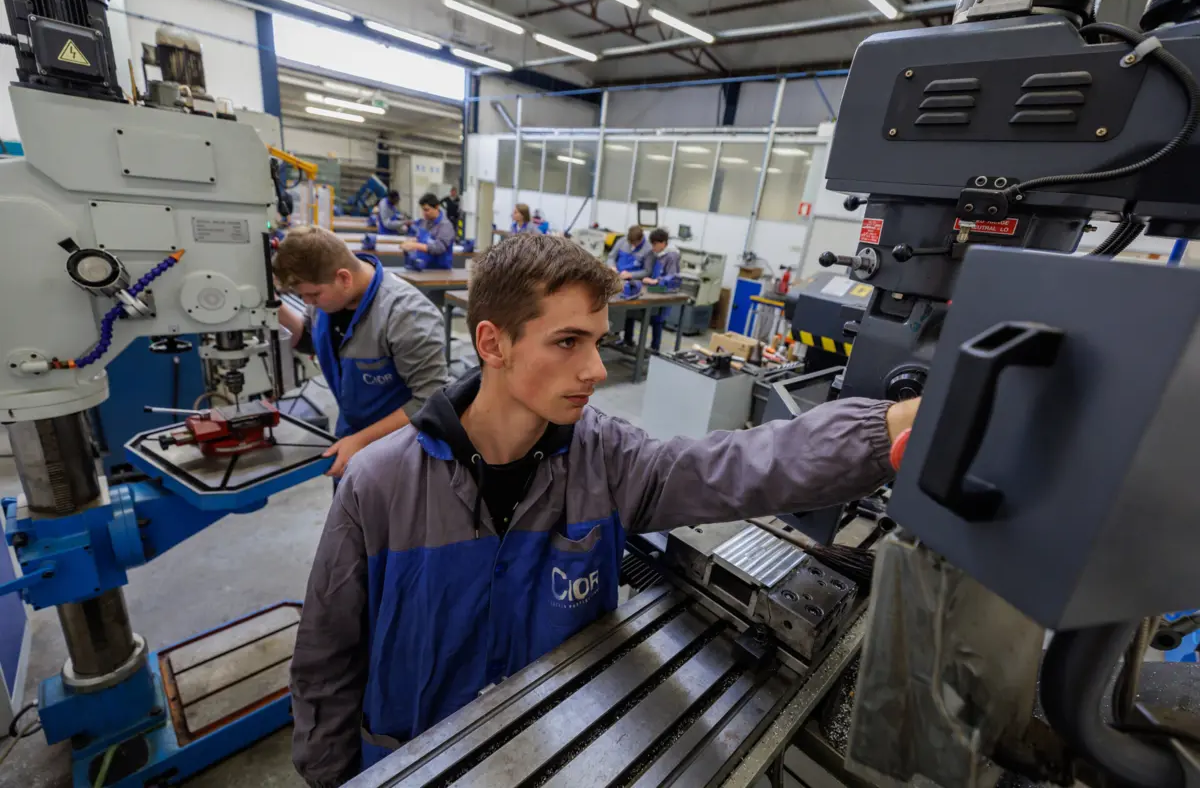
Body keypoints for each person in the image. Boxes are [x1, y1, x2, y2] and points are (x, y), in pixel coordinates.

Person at [289, 233, 920, 786]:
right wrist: (330, 774)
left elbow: (733, 467)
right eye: (567, 341)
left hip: (558, 751)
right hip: (412, 758)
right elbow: (327, 653)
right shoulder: (380, 484)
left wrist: (883, 430)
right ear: (493, 342)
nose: (595, 369)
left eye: (598, 342)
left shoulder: (608, 460)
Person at [274, 226, 448, 479]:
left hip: (403, 449)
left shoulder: (406, 314)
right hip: (351, 436)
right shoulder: (327, 301)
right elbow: (314, 341)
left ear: (344, 278)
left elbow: (431, 400)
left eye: (312, 294)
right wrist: (273, 306)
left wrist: (361, 441)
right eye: (303, 296)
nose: (308, 302)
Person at [609, 225, 655, 346]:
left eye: (635, 243)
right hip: (616, 278)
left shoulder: (648, 249)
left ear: (641, 239)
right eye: (631, 242)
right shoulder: (622, 241)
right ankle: (613, 336)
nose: (632, 245)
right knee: (611, 307)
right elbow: (611, 257)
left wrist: (631, 275)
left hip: (632, 283)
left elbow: (647, 271)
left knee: (629, 312)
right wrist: (612, 266)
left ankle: (627, 339)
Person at [642, 227, 681, 352]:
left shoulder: (671, 256)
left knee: (658, 319)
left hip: (666, 290)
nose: (653, 247)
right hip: (656, 288)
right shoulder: (659, 254)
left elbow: (672, 276)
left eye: (655, 244)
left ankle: (655, 347)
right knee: (651, 316)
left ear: (663, 243)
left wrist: (656, 281)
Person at [401, 192, 456, 270]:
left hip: (439, 271)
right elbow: (421, 238)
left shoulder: (445, 226)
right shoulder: (426, 222)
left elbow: (439, 248)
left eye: (427, 210)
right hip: (424, 267)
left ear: (436, 207)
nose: (424, 213)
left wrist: (415, 245)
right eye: (422, 210)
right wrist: (411, 241)